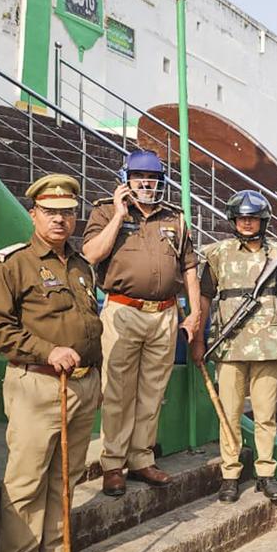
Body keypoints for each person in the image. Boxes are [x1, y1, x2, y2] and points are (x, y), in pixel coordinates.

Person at [0, 174, 103, 552]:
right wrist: (47, 350)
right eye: (51, 212)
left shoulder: (80, 264)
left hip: (84, 385)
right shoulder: (11, 263)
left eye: (68, 213)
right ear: (34, 213)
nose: (60, 220)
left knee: (65, 477)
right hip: (38, 384)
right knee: (27, 478)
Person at [82, 150, 200, 496]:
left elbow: (189, 267)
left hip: (164, 313)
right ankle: (113, 463)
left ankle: (142, 458)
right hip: (123, 310)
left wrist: (194, 313)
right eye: (139, 178)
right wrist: (120, 215)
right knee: (117, 391)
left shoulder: (175, 218)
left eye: (152, 178)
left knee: (153, 391)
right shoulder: (105, 210)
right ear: (126, 179)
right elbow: (91, 254)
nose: (146, 183)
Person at [189, 189, 277, 505]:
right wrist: (199, 339)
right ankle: (230, 475)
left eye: (252, 218)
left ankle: (266, 473)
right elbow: (205, 297)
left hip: (268, 341)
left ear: (262, 220)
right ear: (233, 220)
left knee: (266, 413)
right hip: (229, 343)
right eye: (241, 218)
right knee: (229, 412)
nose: (247, 223)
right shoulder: (219, 254)